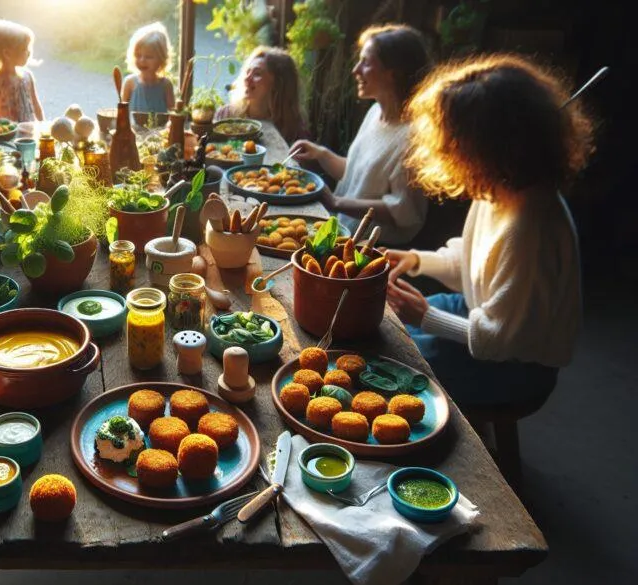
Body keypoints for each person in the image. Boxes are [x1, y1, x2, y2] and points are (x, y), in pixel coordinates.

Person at [385, 54, 594, 406]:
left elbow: (502, 341)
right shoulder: (502, 189)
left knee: (394, 364)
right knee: (388, 326)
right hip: (480, 314)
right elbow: (475, 263)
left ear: (492, 146)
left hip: (516, 368)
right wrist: (416, 260)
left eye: (454, 142)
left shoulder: (531, 226)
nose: (446, 151)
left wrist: (427, 317)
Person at [289, 25, 432, 245]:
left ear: (394, 72)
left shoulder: (414, 137)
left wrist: (336, 202)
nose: (356, 70)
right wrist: (321, 154)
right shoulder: (375, 113)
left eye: (366, 62)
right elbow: (361, 174)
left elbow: (404, 210)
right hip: (344, 234)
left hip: (372, 252)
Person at [215, 46, 308, 144]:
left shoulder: (294, 129)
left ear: (278, 84)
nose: (247, 78)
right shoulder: (225, 115)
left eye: (257, 74)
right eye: (247, 72)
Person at [0, 20, 44, 122]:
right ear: (7, 53)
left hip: (27, 130)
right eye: (24, 49)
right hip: (2, 133)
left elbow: (35, 104)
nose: (29, 52)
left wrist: (42, 125)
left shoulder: (27, 76)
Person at [121, 22, 175, 115]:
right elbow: (121, 113)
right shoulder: (130, 83)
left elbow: (173, 115)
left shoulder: (166, 85)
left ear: (161, 59)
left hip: (160, 129)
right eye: (138, 55)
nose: (142, 60)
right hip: (133, 129)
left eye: (149, 56)